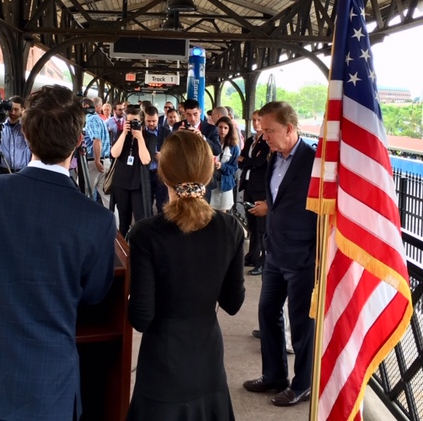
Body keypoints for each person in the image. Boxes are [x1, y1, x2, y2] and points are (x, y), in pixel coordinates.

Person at [0, 85, 117, 420]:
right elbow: (93, 295)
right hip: (50, 389)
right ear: (79, 142)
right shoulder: (98, 220)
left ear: (27, 137)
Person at [127, 131, 245, 421]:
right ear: (208, 173)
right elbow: (233, 303)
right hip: (208, 360)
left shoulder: (145, 234)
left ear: (163, 175)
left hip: (163, 366)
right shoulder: (230, 228)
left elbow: (141, 317)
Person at [243, 101, 317, 407]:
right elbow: (279, 199)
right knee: (267, 312)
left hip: (302, 257)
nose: (264, 137)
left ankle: (304, 383)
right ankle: (274, 375)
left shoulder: (314, 161)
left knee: (301, 324)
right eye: (262, 131)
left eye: (269, 131)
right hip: (274, 252)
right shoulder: (274, 157)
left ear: (289, 128)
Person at [109, 105, 155, 237]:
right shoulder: (121, 134)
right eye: (129, 121)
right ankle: (122, 246)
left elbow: (146, 160)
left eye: (135, 121)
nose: (132, 124)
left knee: (141, 219)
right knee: (123, 220)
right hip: (121, 182)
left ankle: (139, 245)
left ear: (142, 121)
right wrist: (124, 133)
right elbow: (114, 153)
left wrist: (140, 138)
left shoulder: (149, 138)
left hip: (138, 183)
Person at [238, 110, 270, 276]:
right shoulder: (251, 140)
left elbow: (260, 162)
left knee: (261, 226)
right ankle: (252, 255)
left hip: (260, 187)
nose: (256, 123)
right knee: (251, 224)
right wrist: (248, 161)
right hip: (248, 185)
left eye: (258, 120)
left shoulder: (266, 141)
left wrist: (247, 161)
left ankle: (262, 261)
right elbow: (240, 160)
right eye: (253, 120)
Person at [82, 97, 111, 205]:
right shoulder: (99, 119)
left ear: (85, 106)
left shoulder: (90, 120)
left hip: (94, 162)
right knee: (107, 197)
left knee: (84, 194)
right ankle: (113, 216)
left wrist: (97, 161)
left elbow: (97, 140)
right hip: (105, 160)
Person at [143, 105, 170, 213]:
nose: (151, 123)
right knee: (145, 205)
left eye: (154, 121)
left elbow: (173, 152)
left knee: (162, 205)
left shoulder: (166, 132)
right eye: (148, 121)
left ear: (158, 118)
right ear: (144, 119)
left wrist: (163, 156)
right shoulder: (140, 132)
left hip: (161, 173)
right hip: (145, 173)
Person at [210, 116, 241, 212]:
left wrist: (222, 166)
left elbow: (234, 167)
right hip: (211, 181)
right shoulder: (212, 142)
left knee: (223, 213)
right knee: (209, 211)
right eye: (220, 127)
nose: (222, 130)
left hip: (225, 183)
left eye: (225, 128)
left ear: (229, 129)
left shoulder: (233, 147)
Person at [0, 95, 31, 173]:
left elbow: (32, 146)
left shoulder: (28, 126)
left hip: (22, 170)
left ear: (22, 109)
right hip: (3, 170)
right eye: (10, 109)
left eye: (16, 110)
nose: (13, 112)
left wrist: (25, 122)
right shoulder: (0, 126)